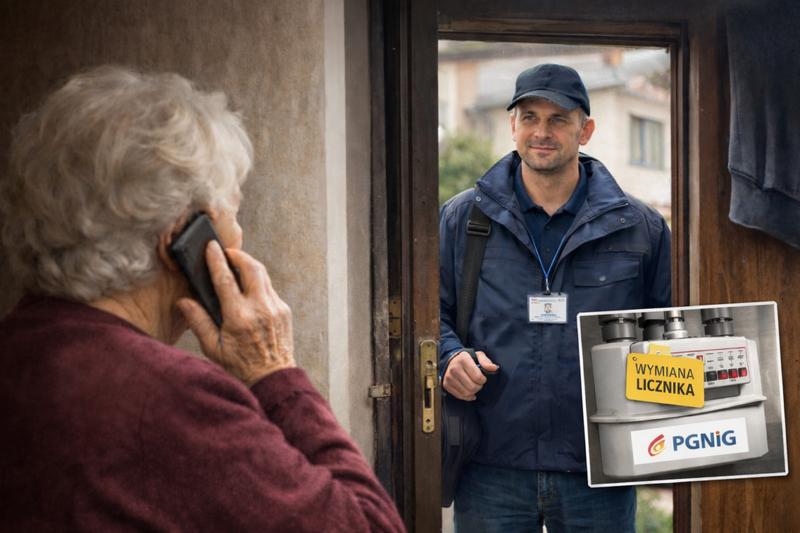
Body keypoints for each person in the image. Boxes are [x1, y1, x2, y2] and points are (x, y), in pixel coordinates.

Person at [0, 66, 404, 532]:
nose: (240, 234)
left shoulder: (17, 351)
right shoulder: (169, 401)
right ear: (184, 241)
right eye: (233, 213)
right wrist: (275, 373)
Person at [439, 64, 671, 532]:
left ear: (586, 130)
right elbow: (429, 312)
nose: (541, 132)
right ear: (513, 126)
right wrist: (449, 355)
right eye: (529, 117)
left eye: (558, 119)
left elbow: (669, 334)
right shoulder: (465, 218)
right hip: (490, 466)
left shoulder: (641, 228)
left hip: (599, 472)